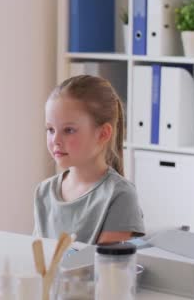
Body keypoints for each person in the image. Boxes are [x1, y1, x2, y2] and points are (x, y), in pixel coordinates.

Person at [33, 75, 144, 244]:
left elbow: (108, 267)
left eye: (68, 130)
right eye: (50, 129)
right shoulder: (43, 192)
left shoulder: (120, 196)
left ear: (103, 134)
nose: (55, 140)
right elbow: (36, 260)